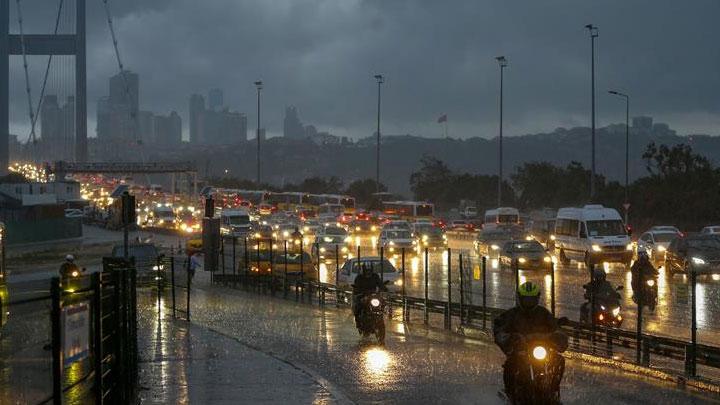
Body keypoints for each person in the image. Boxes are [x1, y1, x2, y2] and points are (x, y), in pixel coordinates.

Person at [493, 282, 568, 396]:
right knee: (510, 364)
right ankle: (510, 394)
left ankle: (553, 390)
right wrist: (510, 338)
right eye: (526, 299)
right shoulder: (512, 314)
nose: (529, 302)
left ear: (537, 298)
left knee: (559, 360)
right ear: (520, 298)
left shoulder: (543, 313)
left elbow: (555, 327)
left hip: (542, 349)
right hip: (521, 351)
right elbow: (499, 328)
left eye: (532, 299)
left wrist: (559, 336)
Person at [352, 262, 387, 330]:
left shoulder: (375, 276)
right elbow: (356, 287)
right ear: (364, 270)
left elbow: (380, 283)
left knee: (382, 302)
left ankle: (381, 315)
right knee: (358, 306)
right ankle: (358, 322)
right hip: (362, 295)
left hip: (373, 295)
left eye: (369, 270)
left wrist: (384, 288)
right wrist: (357, 291)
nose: (368, 272)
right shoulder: (359, 277)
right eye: (367, 270)